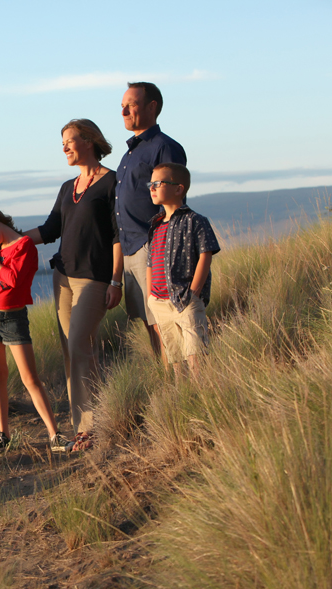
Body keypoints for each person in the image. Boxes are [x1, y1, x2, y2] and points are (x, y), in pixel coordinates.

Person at [24, 119, 122, 452]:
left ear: (90, 140)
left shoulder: (112, 182)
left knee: (81, 343)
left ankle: (92, 428)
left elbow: (118, 235)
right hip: (62, 277)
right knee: (73, 352)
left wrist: (116, 280)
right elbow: (51, 229)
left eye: (70, 140)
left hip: (95, 278)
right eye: (62, 142)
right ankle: (85, 425)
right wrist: (13, 242)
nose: (64, 147)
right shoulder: (68, 187)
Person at [0, 206, 73, 454]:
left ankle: (55, 435)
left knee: (29, 378)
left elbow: (13, 281)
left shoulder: (25, 245)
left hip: (12, 317)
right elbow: (0, 277)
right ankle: (3, 436)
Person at [116, 82, 187, 357]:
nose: (123, 111)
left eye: (130, 104)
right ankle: (165, 381)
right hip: (130, 249)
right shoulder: (128, 155)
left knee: (164, 322)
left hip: (154, 247)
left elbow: (174, 200)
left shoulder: (165, 147)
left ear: (151, 107)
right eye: (122, 105)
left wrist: (165, 246)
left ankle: (179, 385)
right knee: (149, 322)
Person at [145, 163, 220, 378]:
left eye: (157, 183)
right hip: (159, 301)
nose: (152, 188)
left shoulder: (195, 221)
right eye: (151, 184)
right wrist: (151, 295)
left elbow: (206, 254)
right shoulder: (155, 225)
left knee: (195, 352)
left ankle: (200, 394)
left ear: (178, 189)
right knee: (174, 354)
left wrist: (194, 292)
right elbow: (150, 262)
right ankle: (182, 395)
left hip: (185, 299)